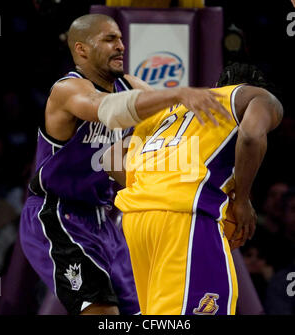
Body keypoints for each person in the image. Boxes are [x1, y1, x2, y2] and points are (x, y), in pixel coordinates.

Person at [19, 13, 230, 315]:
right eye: (109, 39)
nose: (121, 45)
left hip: (105, 220)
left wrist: (231, 109)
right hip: (58, 215)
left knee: (143, 310)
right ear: (82, 49)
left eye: (120, 38)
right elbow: (106, 110)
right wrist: (178, 91)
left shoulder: (127, 84)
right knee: (103, 312)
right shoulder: (68, 90)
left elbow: (173, 115)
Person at [105, 63, 283, 315]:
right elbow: (252, 136)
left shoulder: (168, 110)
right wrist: (242, 200)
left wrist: (152, 189)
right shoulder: (257, 96)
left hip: (135, 222)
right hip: (184, 219)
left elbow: (111, 157)